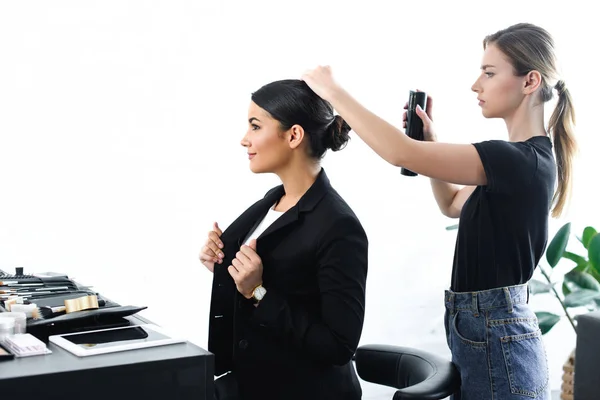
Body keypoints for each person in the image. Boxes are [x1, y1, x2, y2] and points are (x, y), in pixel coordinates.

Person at [302, 22, 576, 400]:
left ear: (529, 81)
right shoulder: (521, 161)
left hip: (498, 339)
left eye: (489, 72)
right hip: (491, 335)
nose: (475, 84)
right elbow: (451, 205)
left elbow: (400, 151)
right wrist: (431, 144)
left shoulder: (517, 160)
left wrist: (334, 93)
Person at [199, 79, 368, 400]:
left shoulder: (339, 226)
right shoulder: (271, 202)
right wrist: (223, 265)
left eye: (255, 126)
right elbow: (283, 280)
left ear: (294, 135)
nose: (243, 140)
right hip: (253, 383)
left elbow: (338, 346)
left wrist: (257, 291)